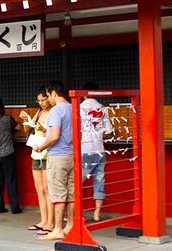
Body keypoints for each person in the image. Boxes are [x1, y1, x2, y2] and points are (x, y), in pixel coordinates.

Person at [33, 81, 74, 241]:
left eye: (48, 95)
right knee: (71, 193)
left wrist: (40, 147)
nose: (47, 99)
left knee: (57, 194)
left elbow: (55, 135)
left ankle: (57, 229)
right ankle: (69, 226)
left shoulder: (56, 110)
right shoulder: (72, 107)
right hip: (72, 155)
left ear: (54, 93)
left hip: (57, 156)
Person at [20, 88, 54, 235]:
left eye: (43, 100)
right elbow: (28, 130)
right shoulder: (39, 112)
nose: (41, 103)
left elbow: (53, 132)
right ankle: (43, 220)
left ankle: (51, 222)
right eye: (38, 100)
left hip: (48, 152)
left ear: (49, 98)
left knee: (47, 188)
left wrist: (41, 127)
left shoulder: (54, 112)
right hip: (36, 152)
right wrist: (25, 119)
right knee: (39, 188)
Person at [80, 82, 114, 222]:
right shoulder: (103, 108)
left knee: (77, 182)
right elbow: (109, 130)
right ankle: (96, 213)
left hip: (84, 149)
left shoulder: (79, 108)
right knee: (99, 180)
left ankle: (77, 213)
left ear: (84, 93)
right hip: (99, 149)